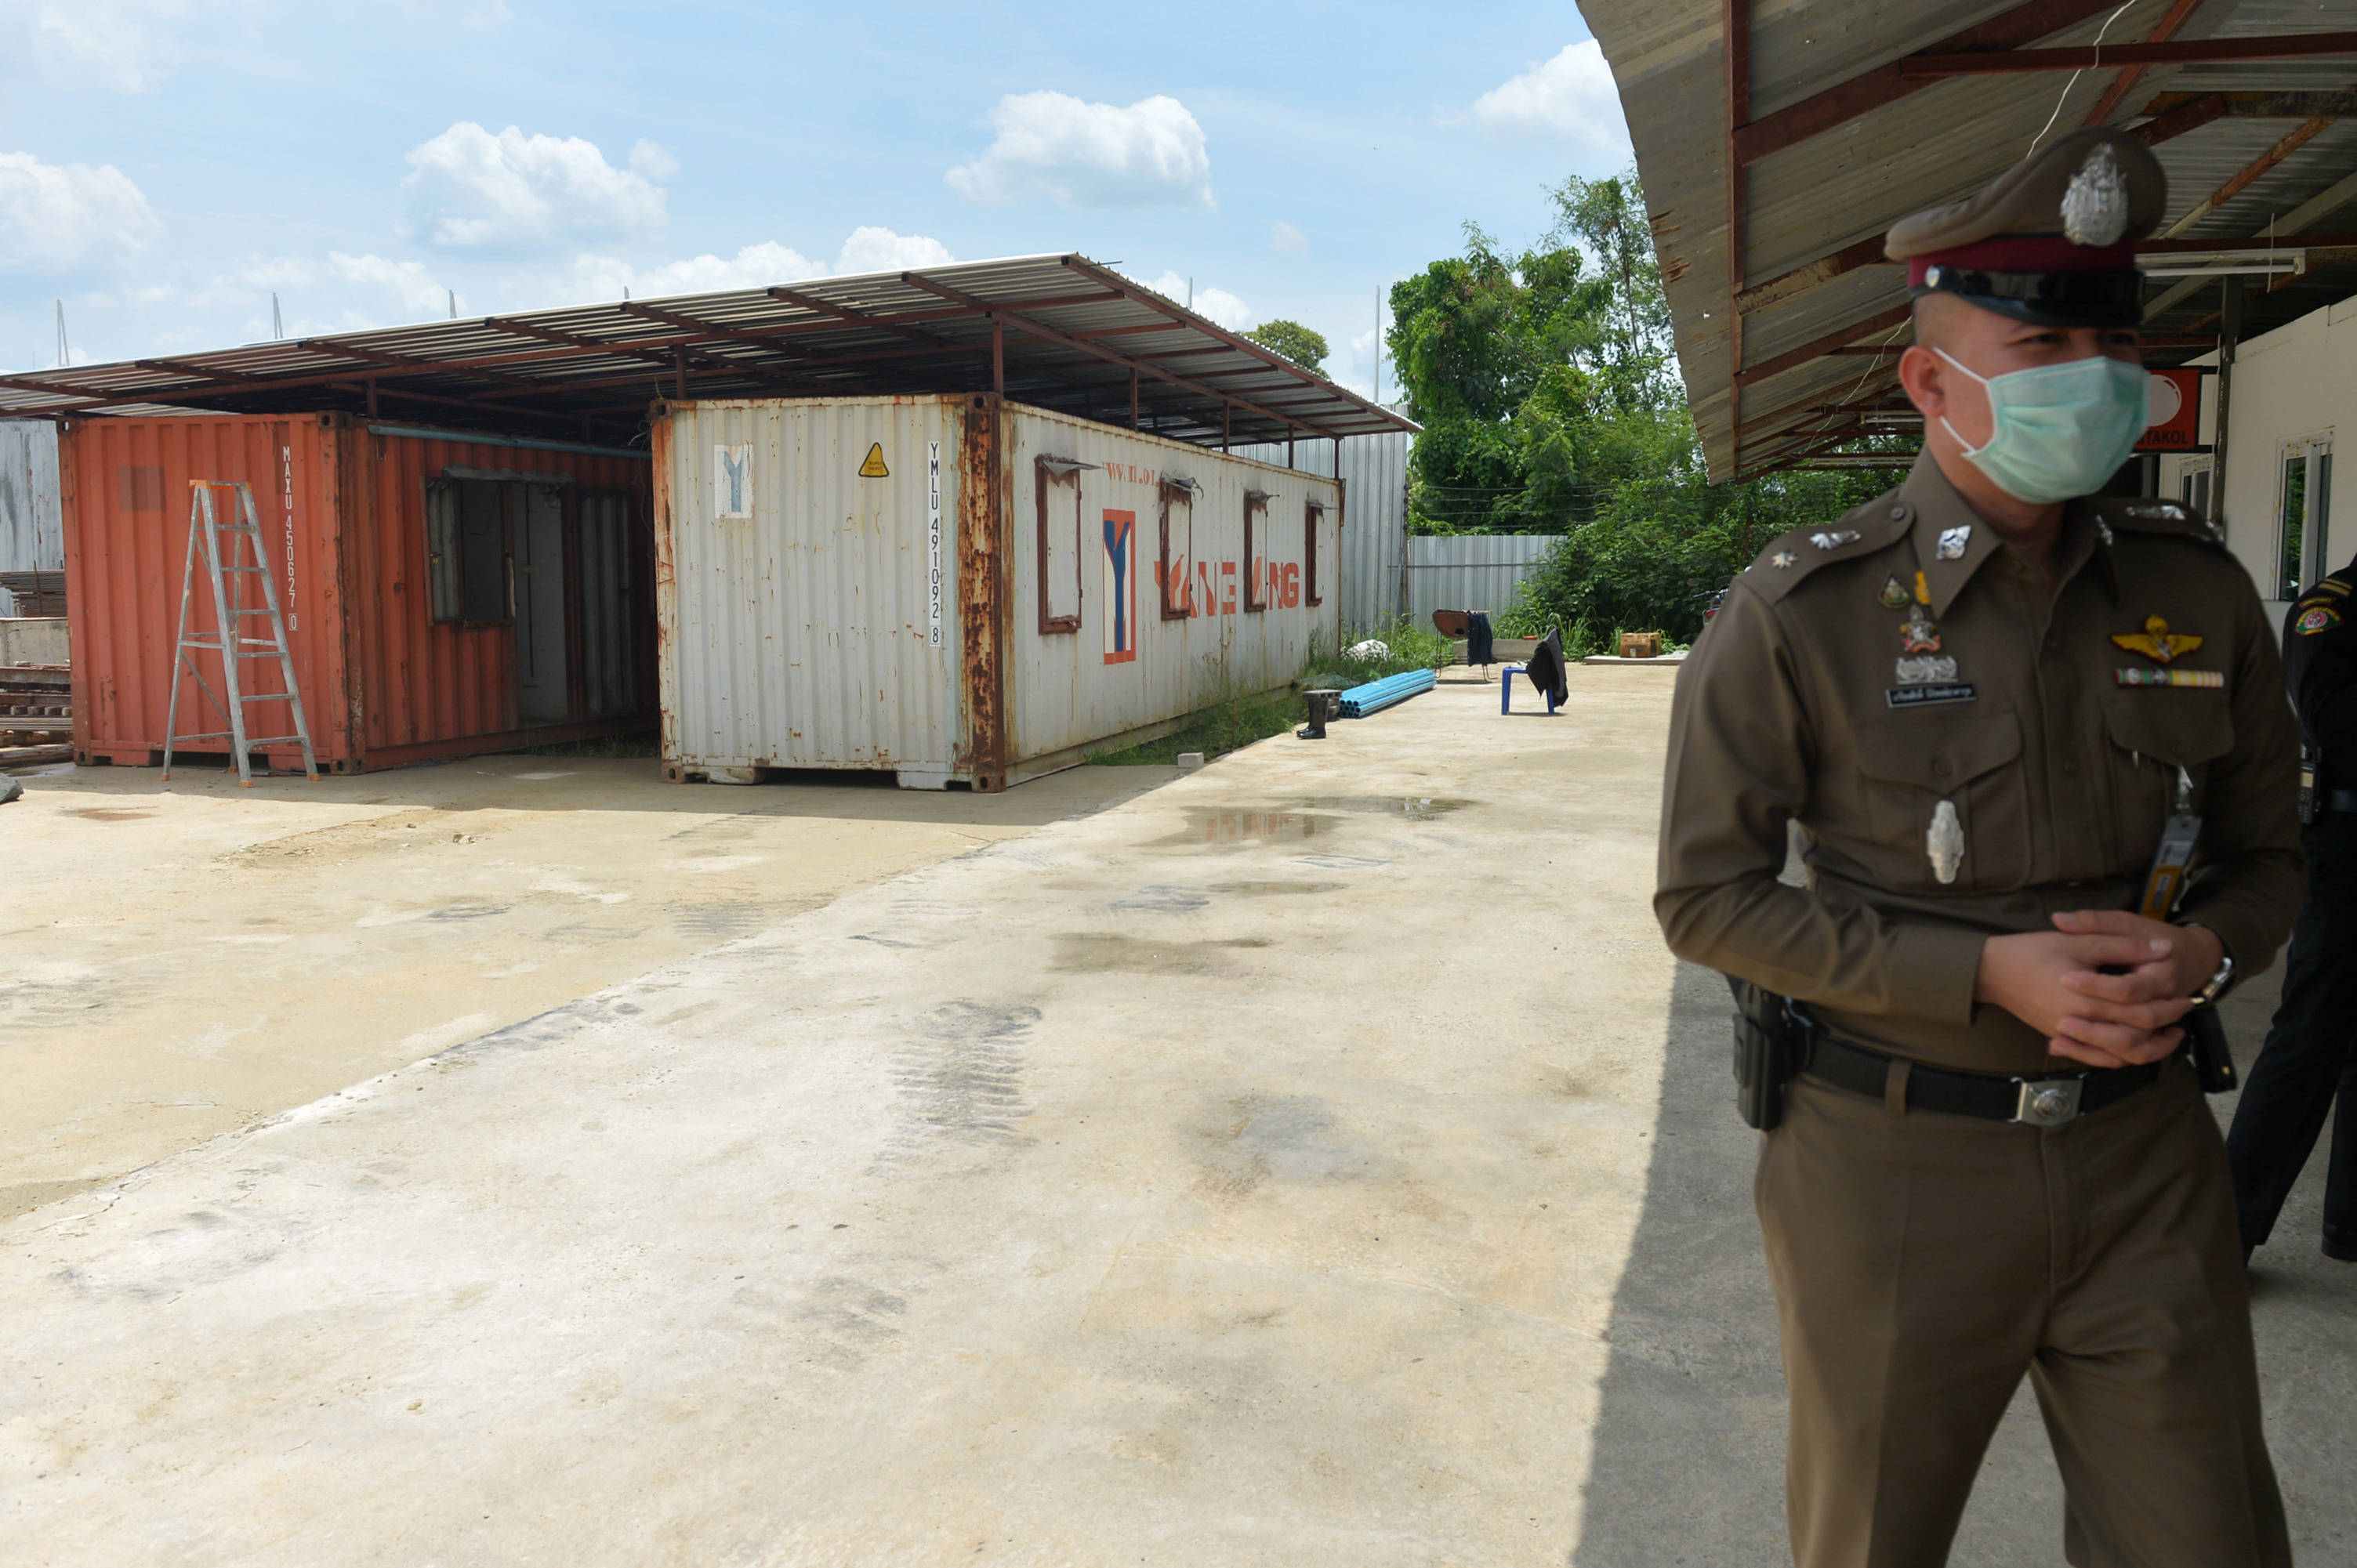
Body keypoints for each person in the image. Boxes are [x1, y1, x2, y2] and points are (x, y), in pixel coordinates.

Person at [1656, 125, 2304, 1566]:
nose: (2089, 374)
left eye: (2106, 339)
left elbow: (2271, 856)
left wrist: (2205, 948)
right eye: (2039, 346)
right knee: (1869, 1540)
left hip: (2145, 1161)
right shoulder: (1800, 614)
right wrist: (1982, 974)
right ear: (1930, 383)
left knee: (2206, 1541)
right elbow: (1706, 899)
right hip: (1892, 1169)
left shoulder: (2196, 595)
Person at [2228, 549, 2357, 1264]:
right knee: (2309, 1032)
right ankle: (2229, 1223)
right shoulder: (2331, 607)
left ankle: (2348, 1221)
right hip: (2344, 849)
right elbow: (2333, 716)